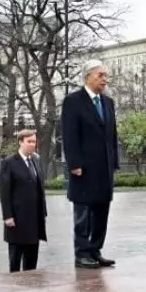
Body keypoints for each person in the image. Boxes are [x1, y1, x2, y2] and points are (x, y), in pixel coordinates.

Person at [60, 59, 119, 269]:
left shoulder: (108, 102)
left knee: (101, 211)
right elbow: (69, 135)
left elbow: (112, 135)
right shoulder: (73, 101)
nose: (105, 79)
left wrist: (114, 163)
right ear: (88, 77)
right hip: (83, 169)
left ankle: (95, 250)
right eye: (100, 75)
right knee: (83, 213)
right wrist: (74, 163)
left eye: (105, 75)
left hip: (104, 169)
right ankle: (82, 253)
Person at [0, 130, 48, 272]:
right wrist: (7, 216)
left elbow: (39, 187)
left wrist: (43, 211)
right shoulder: (9, 163)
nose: (32, 145)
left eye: (34, 142)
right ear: (20, 142)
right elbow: (4, 192)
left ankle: (31, 286)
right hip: (17, 219)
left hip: (34, 219)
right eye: (29, 142)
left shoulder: (36, 160)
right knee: (15, 260)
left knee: (31, 261)